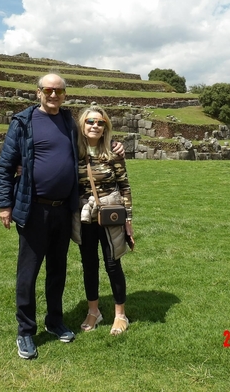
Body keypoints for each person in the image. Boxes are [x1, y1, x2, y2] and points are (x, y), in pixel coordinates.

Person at [0, 73, 125, 359]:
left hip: (64, 210)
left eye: (59, 91)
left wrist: (116, 144)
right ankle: (26, 332)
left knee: (58, 270)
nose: (53, 96)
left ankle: (55, 321)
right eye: (48, 90)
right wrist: (5, 206)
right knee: (27, 274)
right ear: (38, 92)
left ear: (65, 94)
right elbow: (6, 165)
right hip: (33, 208)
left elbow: (95, 133)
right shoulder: (23, 122)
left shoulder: (68, 121)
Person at [73, 105, 134, 336]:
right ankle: (93, 311)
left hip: (110, 214)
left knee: (112, 263)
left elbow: (125, 187)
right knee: (89, 264)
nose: (95, 126)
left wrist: (128, 219)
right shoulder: (74, 151)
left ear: (105, 127)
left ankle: (120, 314)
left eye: (100, 122)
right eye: (90, 121)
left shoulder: (113, 151)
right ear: (83, 124)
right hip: (84, 215)